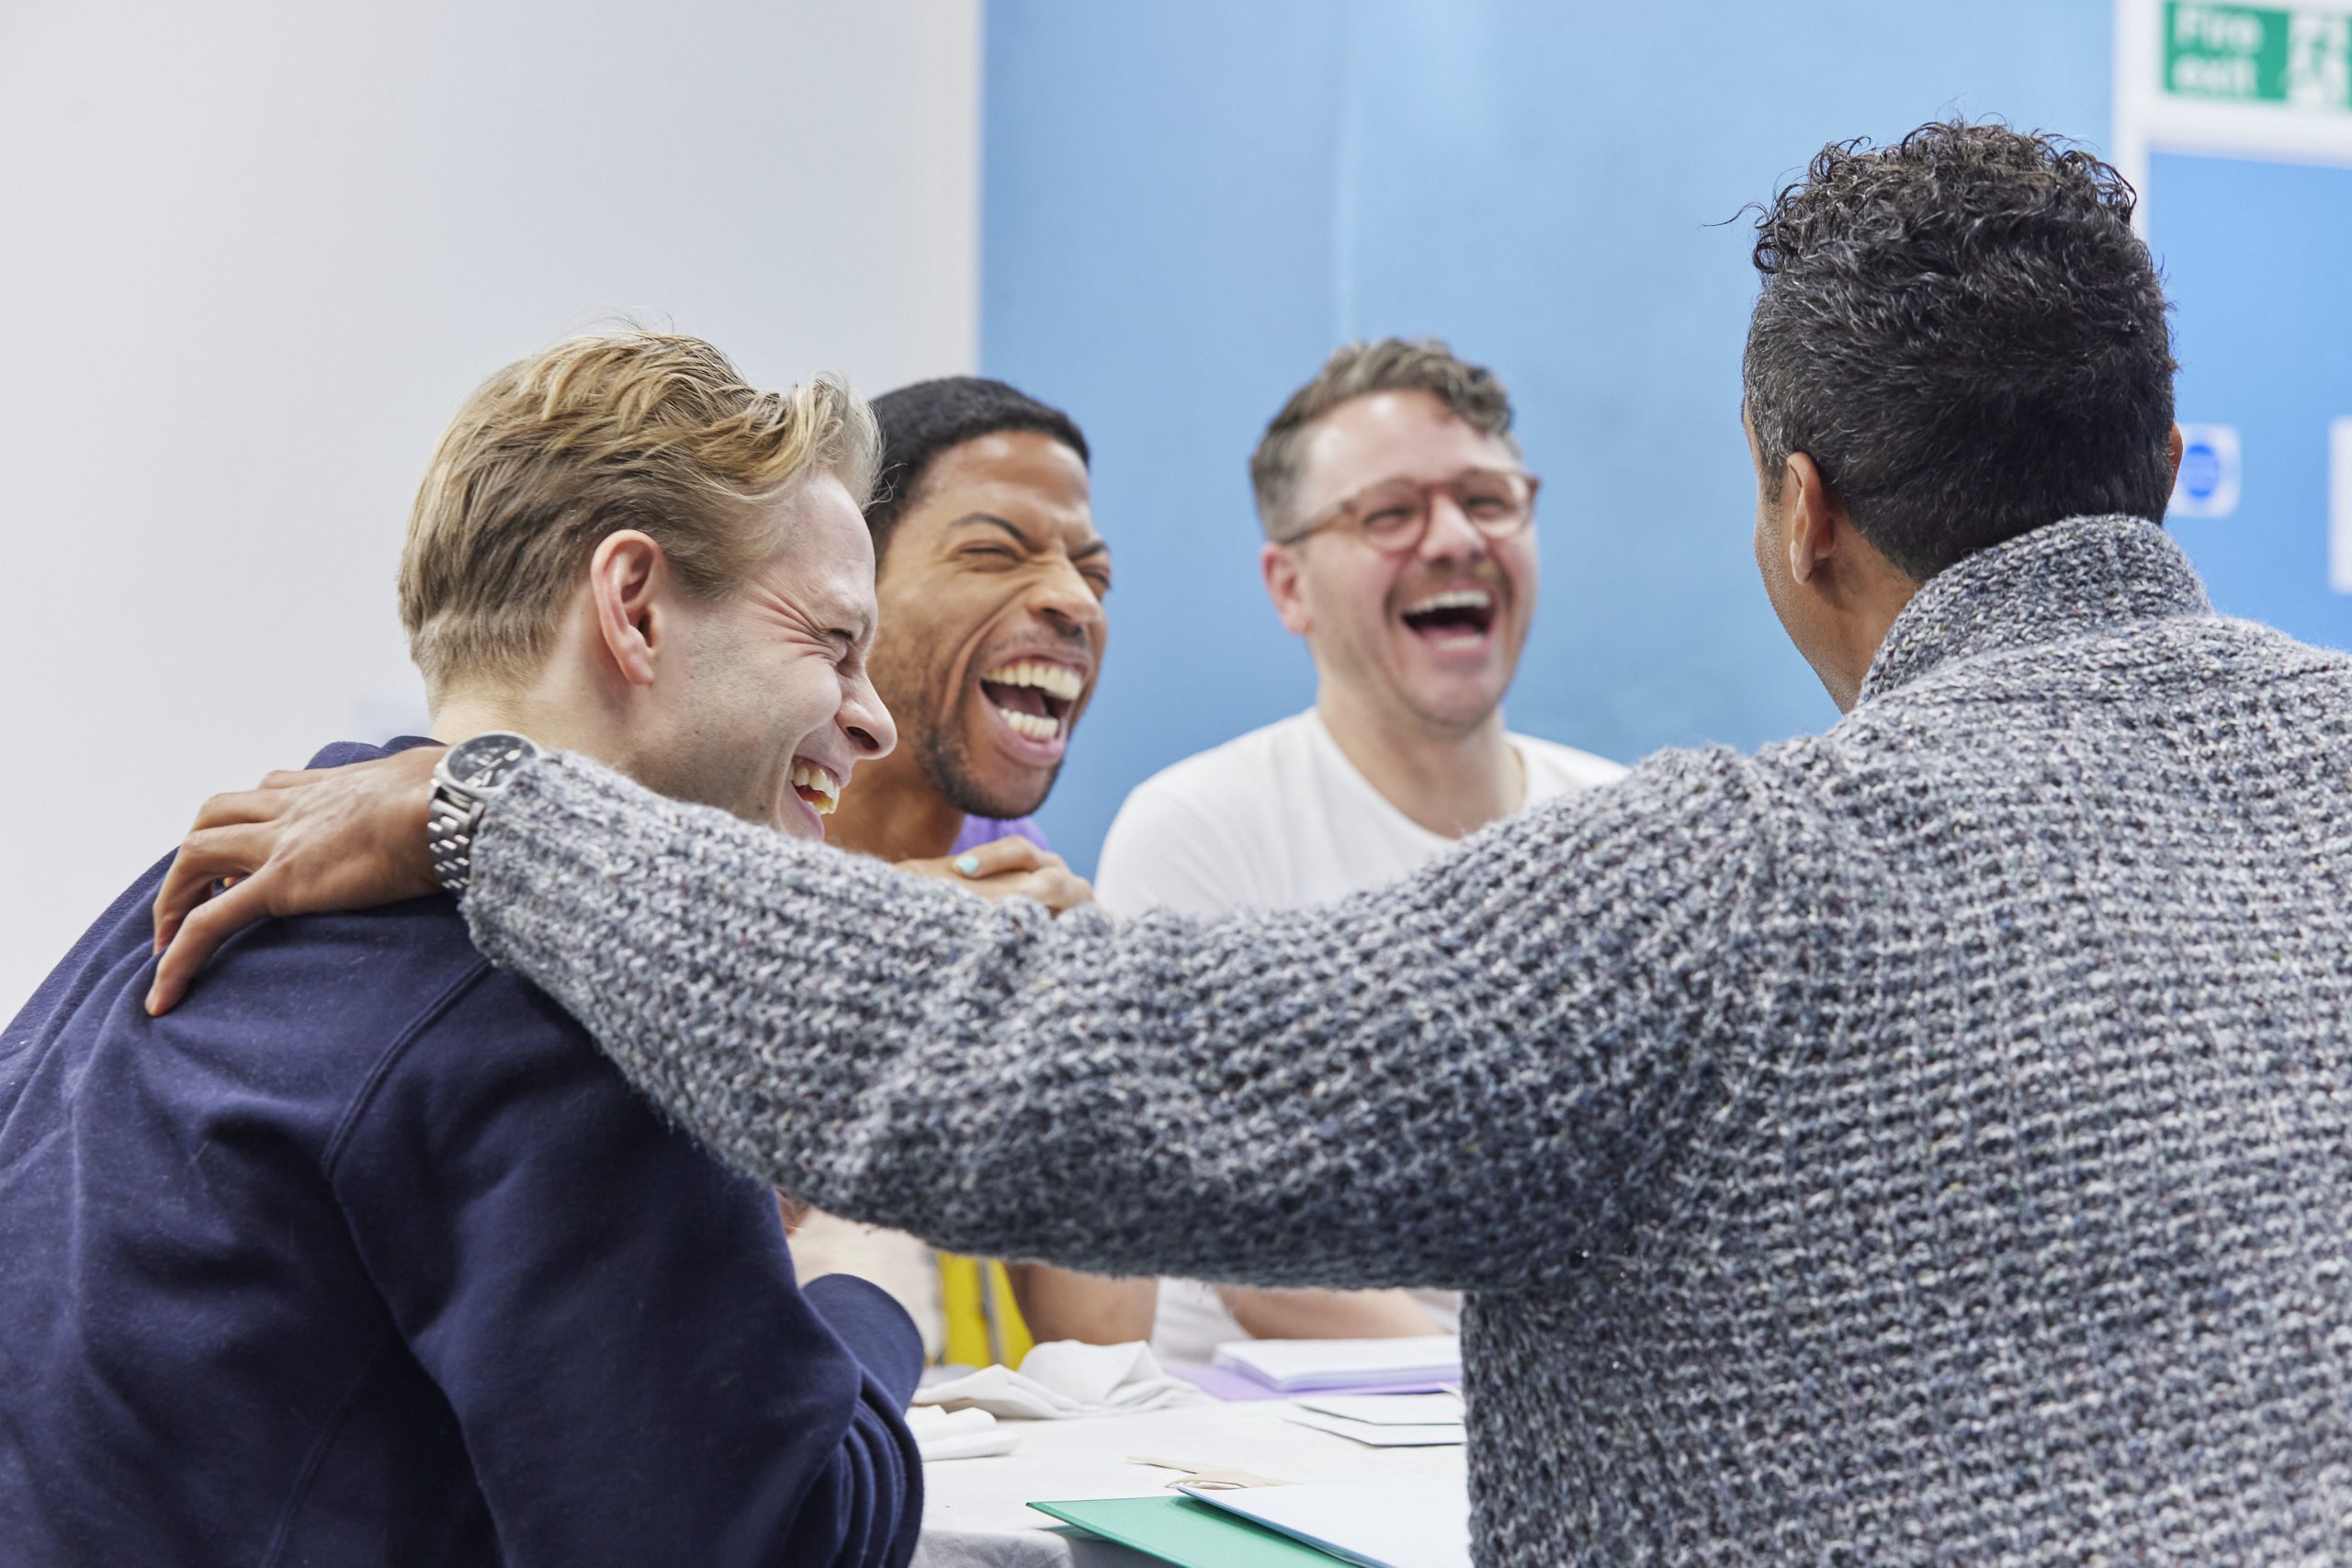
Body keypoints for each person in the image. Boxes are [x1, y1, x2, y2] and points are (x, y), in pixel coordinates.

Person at [150, 122, 2352, 1562]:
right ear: (2163, 453)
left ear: (1793, 506)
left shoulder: (1724, 886)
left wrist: (489, 801)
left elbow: (1049, 1066)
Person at [0, 333, 936, 1567]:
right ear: (636, 606)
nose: (872, 720)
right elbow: (772, 1539)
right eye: (830, 641)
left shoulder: (190, 892)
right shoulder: (576, 993)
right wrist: (864, 1290)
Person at [1071, 337, 1623, 1361]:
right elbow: (1253, 1247)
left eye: (1488, 500)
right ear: (1288, 586)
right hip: (1269, 1470)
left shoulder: (1625, 829)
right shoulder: (1200, 828)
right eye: (1389, 514)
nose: (1453, 538)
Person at [783, 376, 1117, 1354]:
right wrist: (871, 953)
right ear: (850, 587)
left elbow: (1099, 1345)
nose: (1071, 602)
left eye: (1093, 573)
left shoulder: (1017, 875)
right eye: (993, 552)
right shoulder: (722, 825)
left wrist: (1078, 1011)